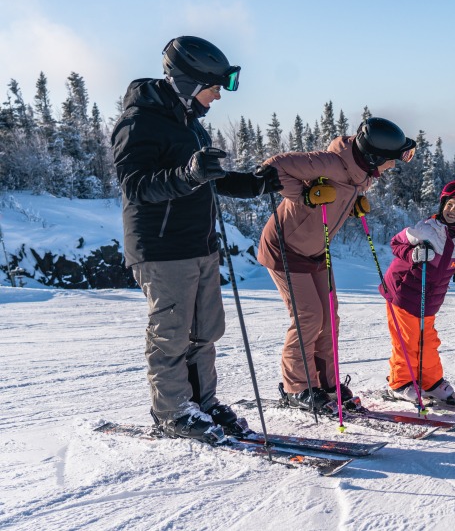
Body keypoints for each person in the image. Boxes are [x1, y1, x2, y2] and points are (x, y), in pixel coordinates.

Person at [112, 36, 283, 441]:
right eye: (214, 87)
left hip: (199, 243)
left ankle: (201, 402)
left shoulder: (190, 126)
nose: (218, 97)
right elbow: (135, 185)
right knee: (171, 333)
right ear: (189, 83)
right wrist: (189, 174)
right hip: (162, 246)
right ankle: (173, 412)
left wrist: (256, 185)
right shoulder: (139, 122)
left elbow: (211, 180)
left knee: (205, 331)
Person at [257, 117, 416, 414]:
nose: (394, 166)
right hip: (285, 247)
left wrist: (351, 204)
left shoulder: (362, 173)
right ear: (374, 157)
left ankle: (326, 384)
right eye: (393, 160)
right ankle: (297, 388)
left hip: (316, 250)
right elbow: (272, 166)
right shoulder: (328, 163)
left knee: (329, 318)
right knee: (308, 318)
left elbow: (339, 192)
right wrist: (304, 196)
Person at [383, 181, 455, 406]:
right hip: (403, 293)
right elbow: (396, 243)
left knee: (428, 341)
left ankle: (432, 382)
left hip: (429, 302)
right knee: (407, 341)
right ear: (442, 204)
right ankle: (400, 384)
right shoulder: (425, 229)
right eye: (450, 204)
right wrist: (413, 253)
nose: (452, 211)